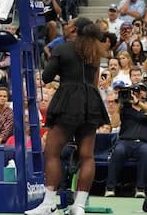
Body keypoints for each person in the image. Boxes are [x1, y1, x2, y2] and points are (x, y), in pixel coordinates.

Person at [25, 18, 108, 215]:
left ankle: (48, 204)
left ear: (75, 30)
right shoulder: (95, 52)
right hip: (91, 101)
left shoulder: (62, 48)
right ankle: (78, 206)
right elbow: (95, 82)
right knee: (87, 156)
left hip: (68, 101)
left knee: (52, 152)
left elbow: (46, 76)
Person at [105, 83, 147, 198]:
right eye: (135, 90)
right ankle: (110, 188)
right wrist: (118, 106)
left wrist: (138, 103)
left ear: (146, 93)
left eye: (141, 90)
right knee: (118, 151)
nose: (138, 92)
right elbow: (114, 124)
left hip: (143, 142)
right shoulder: (125, 108)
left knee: (145, 152)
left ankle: (140, 188)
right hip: (125, 141)